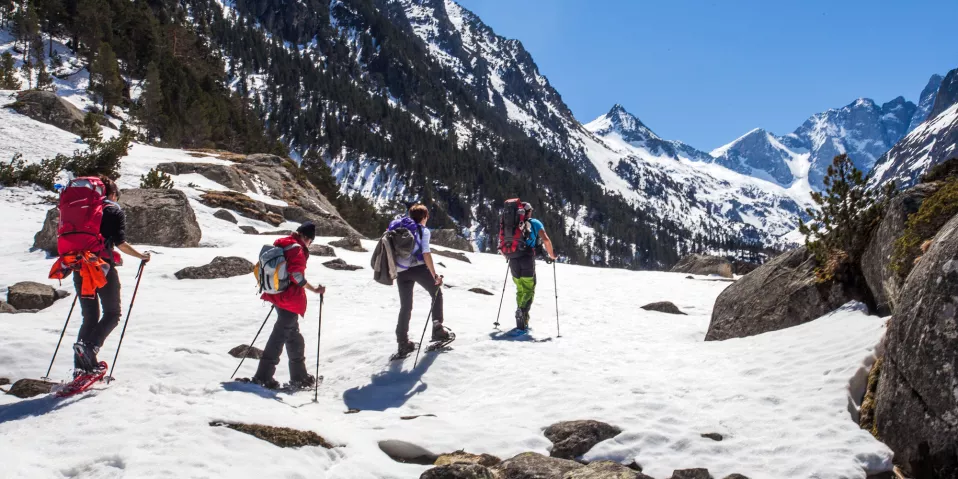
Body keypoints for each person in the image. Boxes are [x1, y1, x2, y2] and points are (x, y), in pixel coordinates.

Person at [72, 176, 152, 374]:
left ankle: (82, 366)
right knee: (112, 314)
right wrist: (142, 256)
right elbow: (120, 243)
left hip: (79, 267)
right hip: (101, 269)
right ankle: (90, 349)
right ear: (113, 194)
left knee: (89, 316)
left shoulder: (81, 209)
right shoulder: (112, 210)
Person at [252, 222, 326, 389]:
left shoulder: (283, 242)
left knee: (293, 337)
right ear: (306, 238)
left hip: (276, 294)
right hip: (289, 299)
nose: (310, 245)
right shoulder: (297, 249)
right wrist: (314, 289)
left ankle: (300, 377)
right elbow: (295, 275)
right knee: (279, 336)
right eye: (310, 241)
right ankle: (262, 376)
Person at [394, 204, 448, 357]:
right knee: (436, 291)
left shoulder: (401, 230)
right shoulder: (423, 231)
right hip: (418, 268)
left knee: (405, 306)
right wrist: (435, 275)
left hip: (401, 271)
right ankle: (437, 328)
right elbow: (426, 253)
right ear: (425, 217)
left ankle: (402, 342)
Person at [507, 202, 556, 331]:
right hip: (527, 260)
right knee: (529, 289)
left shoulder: (511, 224)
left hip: (513, 260)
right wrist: (551, 255)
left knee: (520, 289)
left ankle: (522, 315)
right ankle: (522, 312)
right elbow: (545, 239)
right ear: (528, 211)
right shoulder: (535, 222)